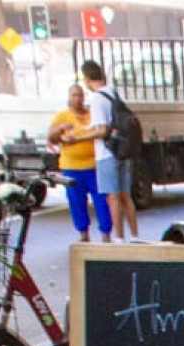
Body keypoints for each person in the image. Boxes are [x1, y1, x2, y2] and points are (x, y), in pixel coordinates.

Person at [79, 60, 138, 242]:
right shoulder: (112, 92)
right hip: (122, 150)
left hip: (106, 153)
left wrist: (78, 137)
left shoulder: (97, 98)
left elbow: (102, 130)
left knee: (112, 198)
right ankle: (135, 235)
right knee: (126, 196)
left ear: (87, 79)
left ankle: (119, 237)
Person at [48, 83, 111, 242]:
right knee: (77, 202)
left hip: (94, 165)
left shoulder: (91, 113)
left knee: (101, 200)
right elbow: (51, 138)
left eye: (80, 95)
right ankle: (83, 234)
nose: (77, 99)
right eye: (74, 95)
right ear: (69, 98)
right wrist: (60, 128)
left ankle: (106, 233)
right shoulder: (62, 116)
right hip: (72, 167)